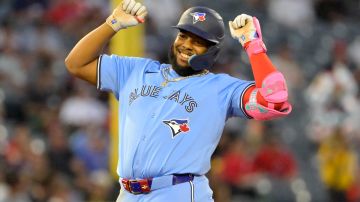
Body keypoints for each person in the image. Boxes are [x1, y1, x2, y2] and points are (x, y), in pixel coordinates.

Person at [65, 0, 292, 201]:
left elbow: (274, 99)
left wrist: (253, 46)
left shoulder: (221, 88)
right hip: (128, 193)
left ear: (212, 51)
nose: (186, 45)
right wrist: (112, 24)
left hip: (177, 191)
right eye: (183, 35)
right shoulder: (136, 70)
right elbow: (76, 63)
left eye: (198, 41)